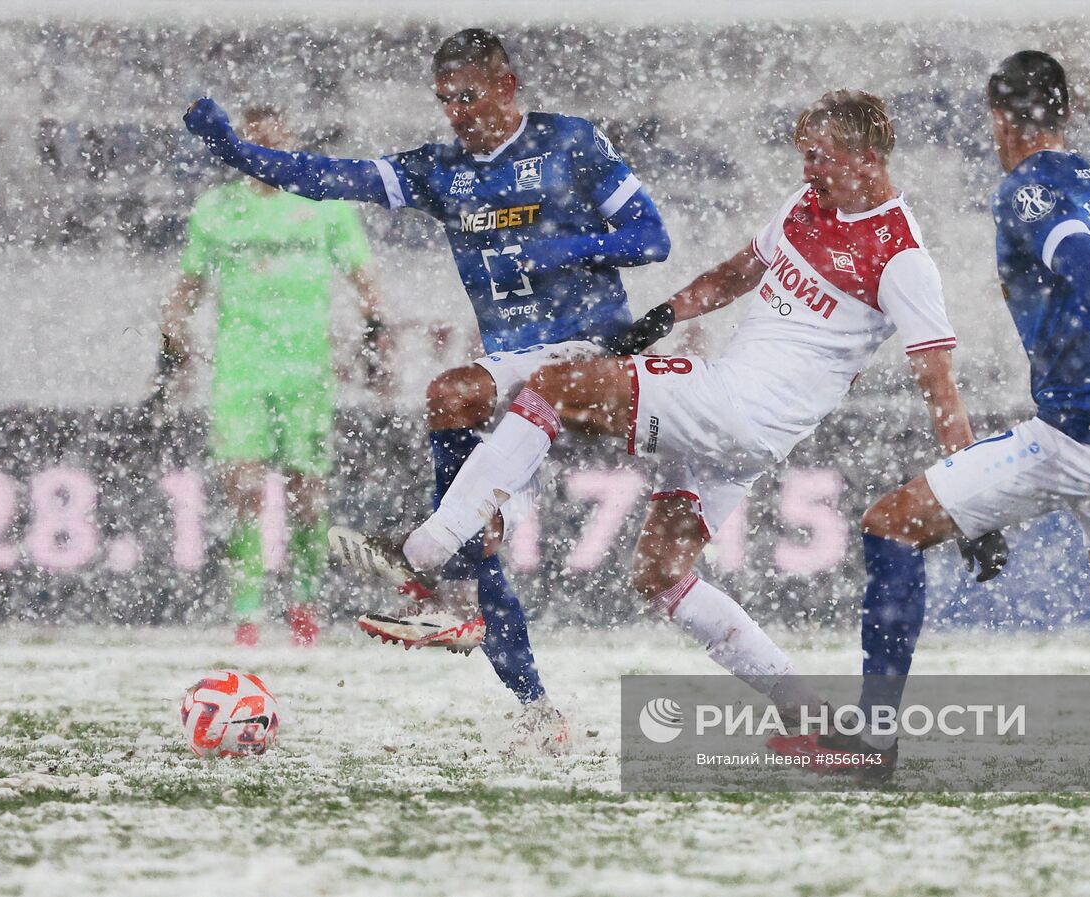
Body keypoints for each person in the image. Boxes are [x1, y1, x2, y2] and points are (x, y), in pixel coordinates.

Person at [335, 90, 1007, 722]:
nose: (808, 169)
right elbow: (737, 273)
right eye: (804, 154)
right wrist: (664, 315)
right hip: (743, 434)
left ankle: (431, 552)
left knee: (557, 388)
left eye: (821, 157)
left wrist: (974, 502)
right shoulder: (805, 206)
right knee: (659, 574)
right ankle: (805, 708)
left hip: (734, 405)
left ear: (867, 159)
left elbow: (939, 386)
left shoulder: (902, 257)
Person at [775, 51, 1090, 789]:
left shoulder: (1027, 189)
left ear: (999, 118)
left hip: (1087, 430)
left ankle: (872, 740)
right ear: (1065, 113)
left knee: (890, 525)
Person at [183, 29, 671, 751]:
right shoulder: (441, 171)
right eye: (445, 100)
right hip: (516, 361)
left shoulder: (570, 142)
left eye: (468, 96)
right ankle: (529, 695)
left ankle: (434, 561)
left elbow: (651, 238)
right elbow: (328, 177)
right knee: (456, 429)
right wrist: (237, 153)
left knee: (469, 431)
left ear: (506, 85)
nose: (456, 113)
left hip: (591, 349)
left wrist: (565, 248)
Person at [159, 104, 389, 648]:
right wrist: (169, 355)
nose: (264, 151)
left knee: (307, 494)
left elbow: (365, 284)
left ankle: (304, 606)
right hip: (241, 369)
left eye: (274, 140)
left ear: (289, 142)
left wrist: (374, 346)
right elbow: (186, 293)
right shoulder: (216, 211)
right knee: (244, 490)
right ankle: (247, 615)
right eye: (254, 142)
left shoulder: (324, 204)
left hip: (306, 370)